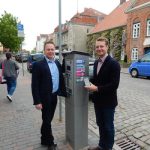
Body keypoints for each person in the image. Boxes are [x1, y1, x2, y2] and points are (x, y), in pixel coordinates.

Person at [85, 37, 120, 150]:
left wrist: (97, 88)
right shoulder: (96, 62)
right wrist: (90, 84)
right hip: (97, 101)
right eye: (97, 47)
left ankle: (108, 147)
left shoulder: (114, 64)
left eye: (101, 46)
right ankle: (101, 145)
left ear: (107, 47)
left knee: (108, 127)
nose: (99, 48)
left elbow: (114, 85)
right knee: (100, 124)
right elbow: (97, 80)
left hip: (108, 102)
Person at [31, 41, 66, 150]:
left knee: (48, 119)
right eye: (48, 49)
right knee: (47, 120)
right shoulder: (38, 64)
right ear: (44, 51)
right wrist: (37, 101)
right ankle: (50, 143)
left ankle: (43, 138)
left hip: (54, 96)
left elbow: (63, 72)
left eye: (52, 49)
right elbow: (35, 84)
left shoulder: (57, 63)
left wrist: (67, 58)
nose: (50, 51)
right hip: (44, 97)